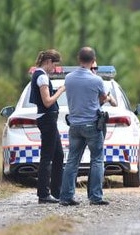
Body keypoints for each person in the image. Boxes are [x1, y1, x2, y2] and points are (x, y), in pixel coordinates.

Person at [59, 47, 109, 206]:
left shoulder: (68, 78)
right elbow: (102, 98)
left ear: (78, 59)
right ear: (93, 60)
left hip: (74, 125)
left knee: (72, 161)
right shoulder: (96, 80)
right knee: (97, 160)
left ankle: (66, 197)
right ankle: (95, 197)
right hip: (92, 125)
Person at [29, 49, 66, 204]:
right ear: (49, 61)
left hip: (49, 120)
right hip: (47, 120)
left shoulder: (38, 74)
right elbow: (47, 101)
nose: (54, 69)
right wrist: (60, 91)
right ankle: (43, 194)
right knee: (47, 157)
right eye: (54, 65)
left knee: (58, 156)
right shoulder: (42, 77)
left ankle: (56, 192)